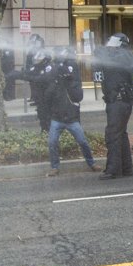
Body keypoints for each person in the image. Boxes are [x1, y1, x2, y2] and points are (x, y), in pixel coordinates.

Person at [45, 48, 100, 177]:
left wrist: (69, 83)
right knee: (52, 142)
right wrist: (56, 82)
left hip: (71, 118)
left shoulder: (74, 83)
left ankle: (91, 163)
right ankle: (54, 167)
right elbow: (47, 96)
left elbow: (78, 97)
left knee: (82, 141)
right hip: (57, 118)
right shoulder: (55, 83)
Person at [93, 33, 133, 180]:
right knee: (121, 133)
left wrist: (100, 54)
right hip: (119, 101)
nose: (110, 45)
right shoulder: (121, 56)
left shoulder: (124, 56)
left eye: (114, 42)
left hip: (119, 101)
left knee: (112, 134)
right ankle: (127, 168)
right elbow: (98, 76)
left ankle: (113, 170)